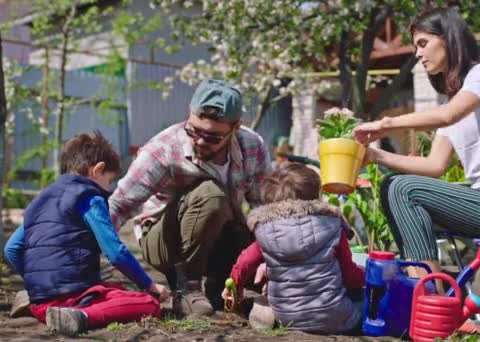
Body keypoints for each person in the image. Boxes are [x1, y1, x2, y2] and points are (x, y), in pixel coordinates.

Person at [352, 8, 480, 277]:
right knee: (392, 185)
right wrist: (376, 157)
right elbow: (435, 165)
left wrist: (384, 125)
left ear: (448, 38)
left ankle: (431, 298)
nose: (417, 53)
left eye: (423, 43)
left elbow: (447, 116)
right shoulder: (453, 100)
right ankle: (426, 297)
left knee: (402, 187)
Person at [109, 79, 272, 317]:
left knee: (261, 263)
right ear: (189, 114)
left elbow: (265, 208)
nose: (200, 141)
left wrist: (274, 259)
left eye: (213, 137)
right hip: (163, 241)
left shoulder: (252, 146)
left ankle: (221, 287)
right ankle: (187, 289)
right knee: (210, 194)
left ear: (235, 128)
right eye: (194, 131)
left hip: (217, 238)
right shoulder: (163, 148)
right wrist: (82, 252)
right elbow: (118, 205)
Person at [3, 132, 169, 337]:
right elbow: (115, 252)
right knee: (148, 304)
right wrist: (150, 285)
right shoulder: (89, 197)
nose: (108, 188)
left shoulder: (40, 201)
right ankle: (81, 316)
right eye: (109, 181)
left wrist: (36, 282)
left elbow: (11, 249)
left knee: (112, 287)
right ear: (97, 170)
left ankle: (38, 305)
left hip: (40, 300)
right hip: (73, 297)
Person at [222, 162, 365, 334]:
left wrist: (234, 285)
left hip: (286, 317)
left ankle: (264, 310)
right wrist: (367, 275)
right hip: (336, 315)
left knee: (270, 294)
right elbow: (350, 277)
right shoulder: (332, 226)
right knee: (368, 302)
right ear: (315, 197)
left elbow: (245, 262)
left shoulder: (265, 232)